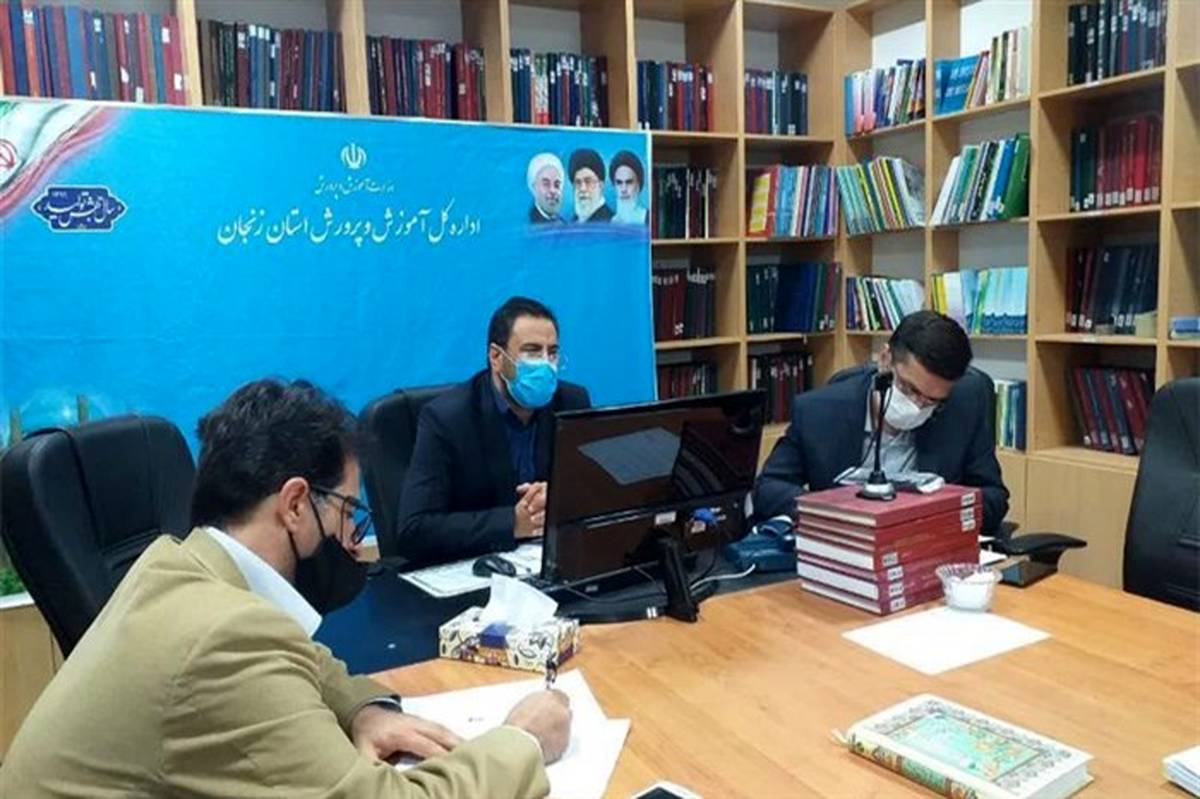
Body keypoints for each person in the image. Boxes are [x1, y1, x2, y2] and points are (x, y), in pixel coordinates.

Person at [0, 379, 571, 798]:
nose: (353, 542)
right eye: (348, 512)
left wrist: (364, 708)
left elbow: (296, 654)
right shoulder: (223, 636)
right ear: (295, 504)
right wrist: (521, 740)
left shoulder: (176, 564)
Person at [753, 311, 1010, 535]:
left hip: (925, 544)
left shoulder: (964, 405)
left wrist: (936, 514)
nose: (916, 406)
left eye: (932, 401)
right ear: (885, 359)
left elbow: (994, 497)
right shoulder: (818, 412)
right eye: (909, 389)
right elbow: (769, 489)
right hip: (848, 546)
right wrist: (832, 512)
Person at [398, 297, 591, 563]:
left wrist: (560, 499)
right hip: (476, 567)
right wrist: (513, 522)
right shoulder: (447, 419)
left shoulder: (571, 402)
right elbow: (414, 530)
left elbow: (594, 492)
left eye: (552, 353)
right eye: (532, 352)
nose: (546, 364)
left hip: (550, 563)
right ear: (496, 357)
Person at [567, 148, 613, 223]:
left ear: (601, 186)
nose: (583, 189)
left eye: (588, 182)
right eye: (578, 182)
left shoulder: (611, 223)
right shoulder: (572, 223)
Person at [609, 150, 648, 225]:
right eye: (619, 183)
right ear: (614, 187)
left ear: (638, 186)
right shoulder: (609, 222)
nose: (624, 189)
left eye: (629, 182)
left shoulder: (650, 219)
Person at [526, 152, 565, 224]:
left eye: (557, 185)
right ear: (534, 187)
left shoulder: (562, 222)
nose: (552, 191)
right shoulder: (531, 224)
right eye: (546, 184)